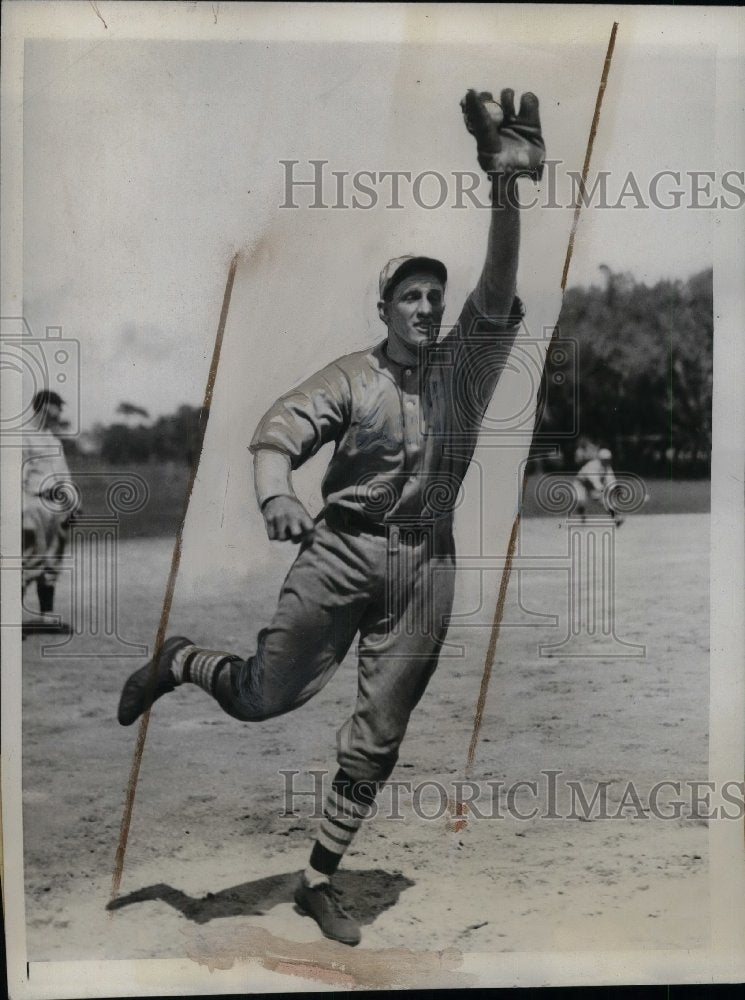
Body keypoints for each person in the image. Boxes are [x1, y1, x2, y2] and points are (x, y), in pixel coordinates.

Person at [117, 87, 545, 945]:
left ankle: (319, 879)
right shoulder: (352, 376)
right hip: (341, 551)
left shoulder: (468, 367)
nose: (426, 306)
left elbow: (498, 286)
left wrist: (507, 190)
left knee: (381, 731)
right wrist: (277, 492)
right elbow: (278, 430)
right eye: (409, 296)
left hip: (427, 561)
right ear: (384, 309)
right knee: (261, 698)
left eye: (435, 294)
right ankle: (183, 660)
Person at [22, 389, 76, 629]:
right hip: (34, 503)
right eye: (57, 406)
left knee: (52, 560)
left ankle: (46, 615)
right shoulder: (24, 437)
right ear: (45, 406)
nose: (60, 411)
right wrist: (23, 514)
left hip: (56, 505)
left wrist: (73, 505)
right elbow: (16, 479)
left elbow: (64, 477)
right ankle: (10, 621)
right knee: (28, 560)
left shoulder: (53, 439)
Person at [573, 447, 624, 526]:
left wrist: (615, 487)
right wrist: (602, 490)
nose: (607, 461)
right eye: (605, 459)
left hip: (592, 486)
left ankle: (616, 518)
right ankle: (582, 517)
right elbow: (594, 480)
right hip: (580, 484)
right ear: (600, 459)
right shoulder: (592, 465)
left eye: (608, 459)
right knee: (581, 501)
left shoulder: (607, 467)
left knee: (604, 501)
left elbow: (610, 479)